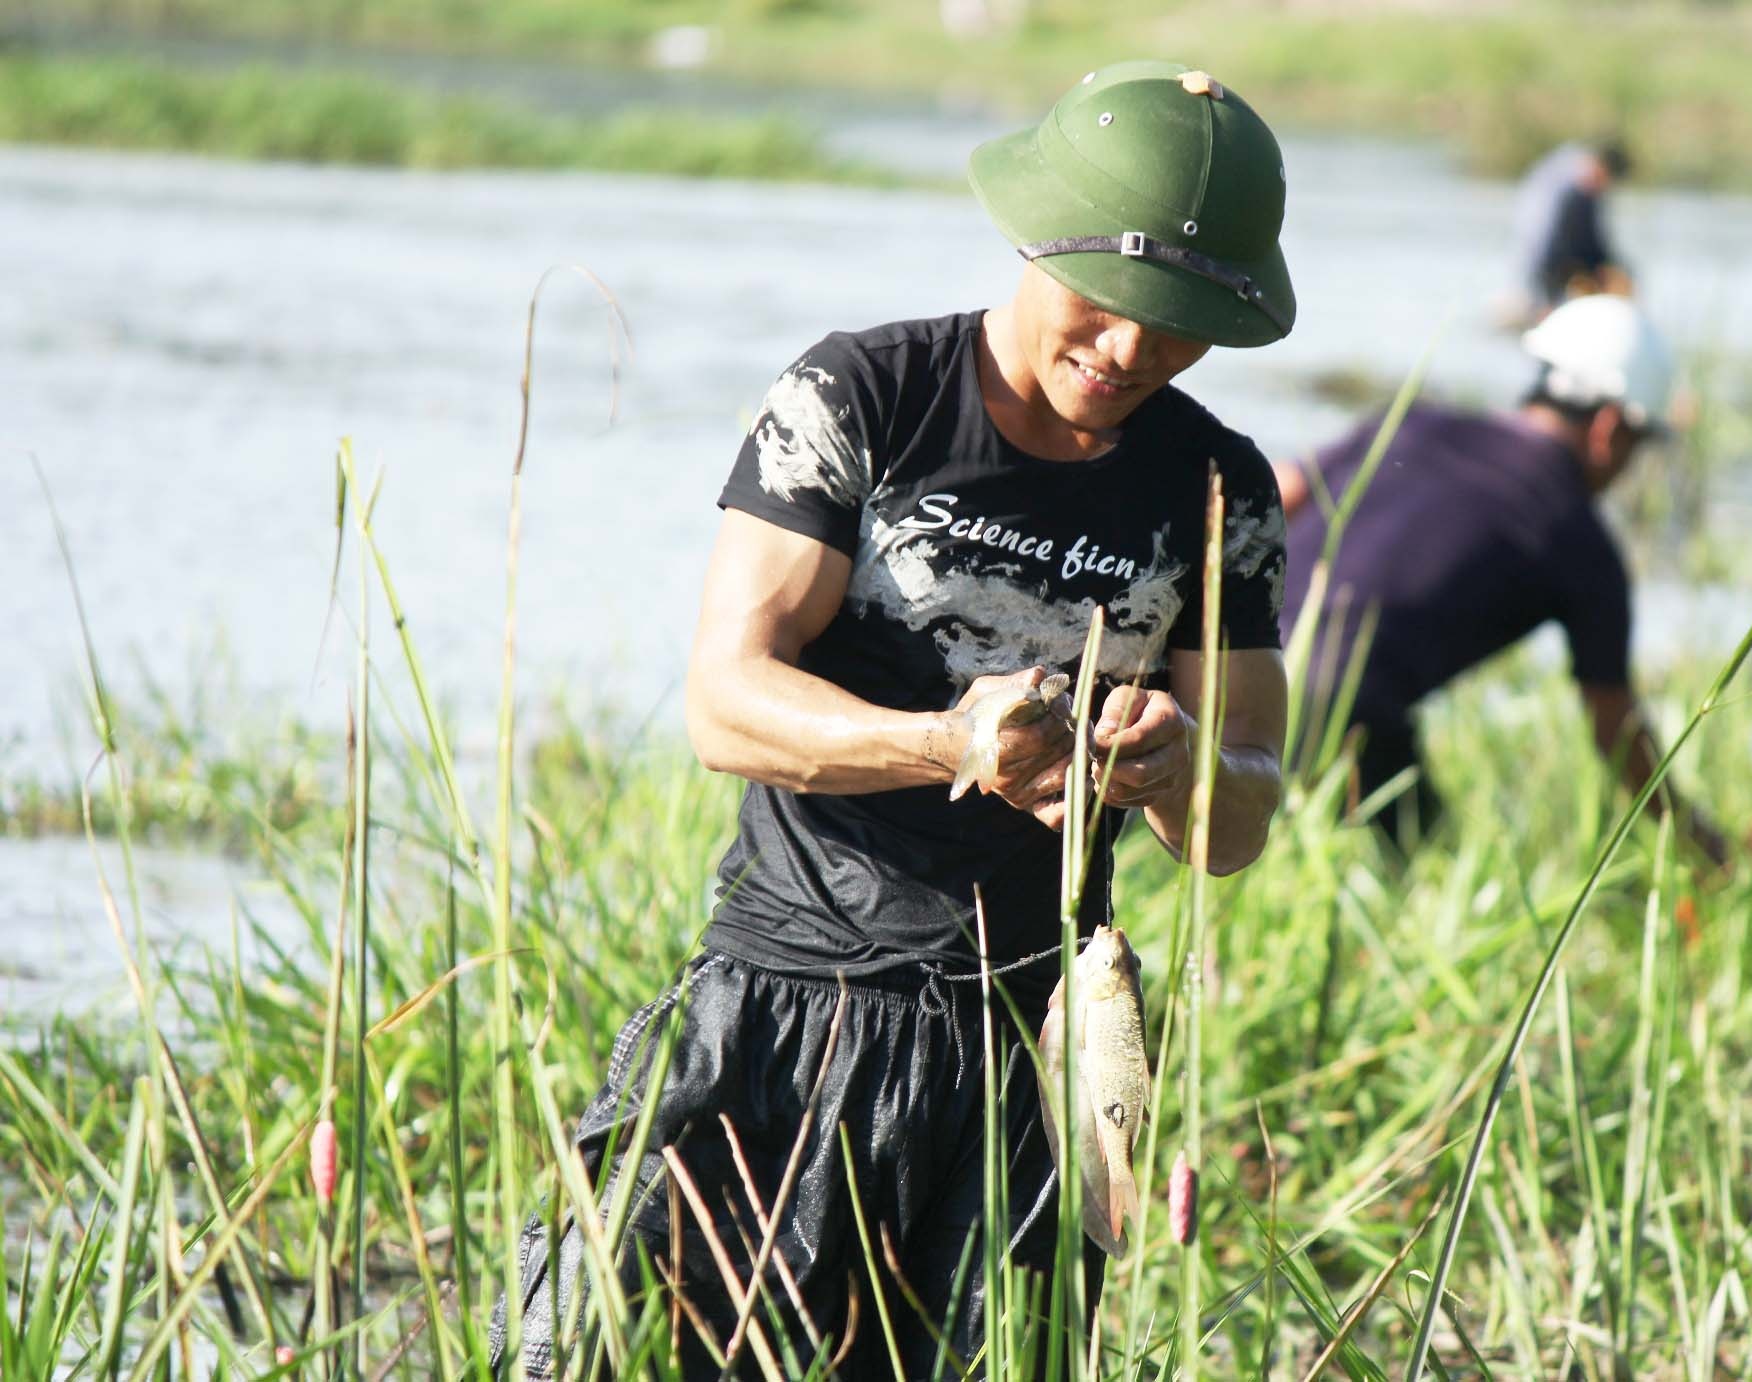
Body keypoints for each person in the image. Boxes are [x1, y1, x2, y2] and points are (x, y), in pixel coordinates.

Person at [491, 60, 1294, 1380]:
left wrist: (1176, 764)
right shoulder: (861, 396)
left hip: (1016, 1050)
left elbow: (1242, 812)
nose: (1128, 352)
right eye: (1105, 305)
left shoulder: (1220, 487)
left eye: (1176, 327)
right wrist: (946, 742)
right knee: (592, 1345)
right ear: (1032, 238)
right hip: (778, 1010)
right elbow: (724, 700)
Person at [1276, 295, 1727, 863]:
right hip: (1338, 706)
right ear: (1609, 428)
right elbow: (1615, 729)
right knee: (1425, 874)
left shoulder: (1418, 421)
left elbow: (1274, 492)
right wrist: (1690, 839)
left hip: (1226, 656)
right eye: (1635, 447)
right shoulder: (1581, 541)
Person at [1507, 140, 1632, 323]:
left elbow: (1595, 246)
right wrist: (1547, 300)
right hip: (1543, 269)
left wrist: (1612, 270)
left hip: (1561, 265)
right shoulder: (1565, 191)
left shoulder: (1587, 194)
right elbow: (1545, 249)